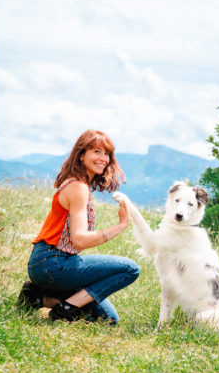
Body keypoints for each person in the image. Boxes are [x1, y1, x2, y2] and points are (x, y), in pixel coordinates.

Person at [18, 129, 138, 324]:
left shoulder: (78, 185)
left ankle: (37, 297)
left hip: (47, 263)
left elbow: (76, 243)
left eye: (106, 153)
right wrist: (121, 225)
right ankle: (66, 309)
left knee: (108, 319)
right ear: (82, 155)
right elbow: (80, 240)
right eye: (97, 152)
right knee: (130, 269)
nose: (103, 158)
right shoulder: (78, 188)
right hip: (52, 263)